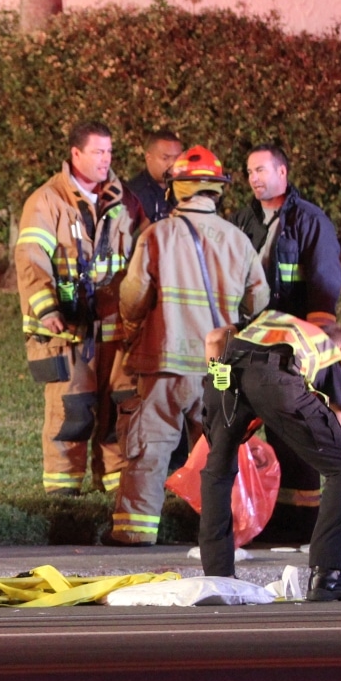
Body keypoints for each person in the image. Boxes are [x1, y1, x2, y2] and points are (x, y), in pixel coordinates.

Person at [109, 146, 269, 545]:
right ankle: (227, 532)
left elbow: (132, 298)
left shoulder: (156, 237)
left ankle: (135, 534)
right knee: (218, 449)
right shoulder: (238, 240)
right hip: (217, 367)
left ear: (175, 190)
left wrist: (132, 330)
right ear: (216, 191)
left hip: (164, 364)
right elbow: (260, 304)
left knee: (150, 446)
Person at [199, 312, 341, 600]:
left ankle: (220, 576)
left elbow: (214, 338)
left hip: (224, 371)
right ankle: (328, 576)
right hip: (275, 379)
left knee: (218, 470)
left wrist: (222, 399)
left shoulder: (271, 321)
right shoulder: (331, 353)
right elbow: (338, 435)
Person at [15, 121, 136, 496]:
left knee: (118, 414)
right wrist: (47, 308)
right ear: (76, 154)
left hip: (115, 331)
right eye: (98, 152)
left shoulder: (123, 200)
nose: (106, 160)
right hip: (67, 331)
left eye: (109, 152)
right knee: (72, 413)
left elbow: (142, 256)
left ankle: (114, 494)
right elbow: (31, 259)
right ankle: (62, 498)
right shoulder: (47, 201)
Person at [232, 143, 341, 541]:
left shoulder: (310, 221)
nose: (254, 178)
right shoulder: (243, 221)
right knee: (253, 429)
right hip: (253, 339)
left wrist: (317, 337)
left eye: (261, 169)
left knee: (294, 429)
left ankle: (302, 522)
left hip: (293, 343)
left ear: (283, 172)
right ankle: (269, 517)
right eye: (249, 171)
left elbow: (323, 281)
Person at [122, 130, 183, 229]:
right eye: (165, 158)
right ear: (148, 157)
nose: (172, 164)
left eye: (176, 158)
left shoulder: (185, 190)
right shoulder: (133, 195)